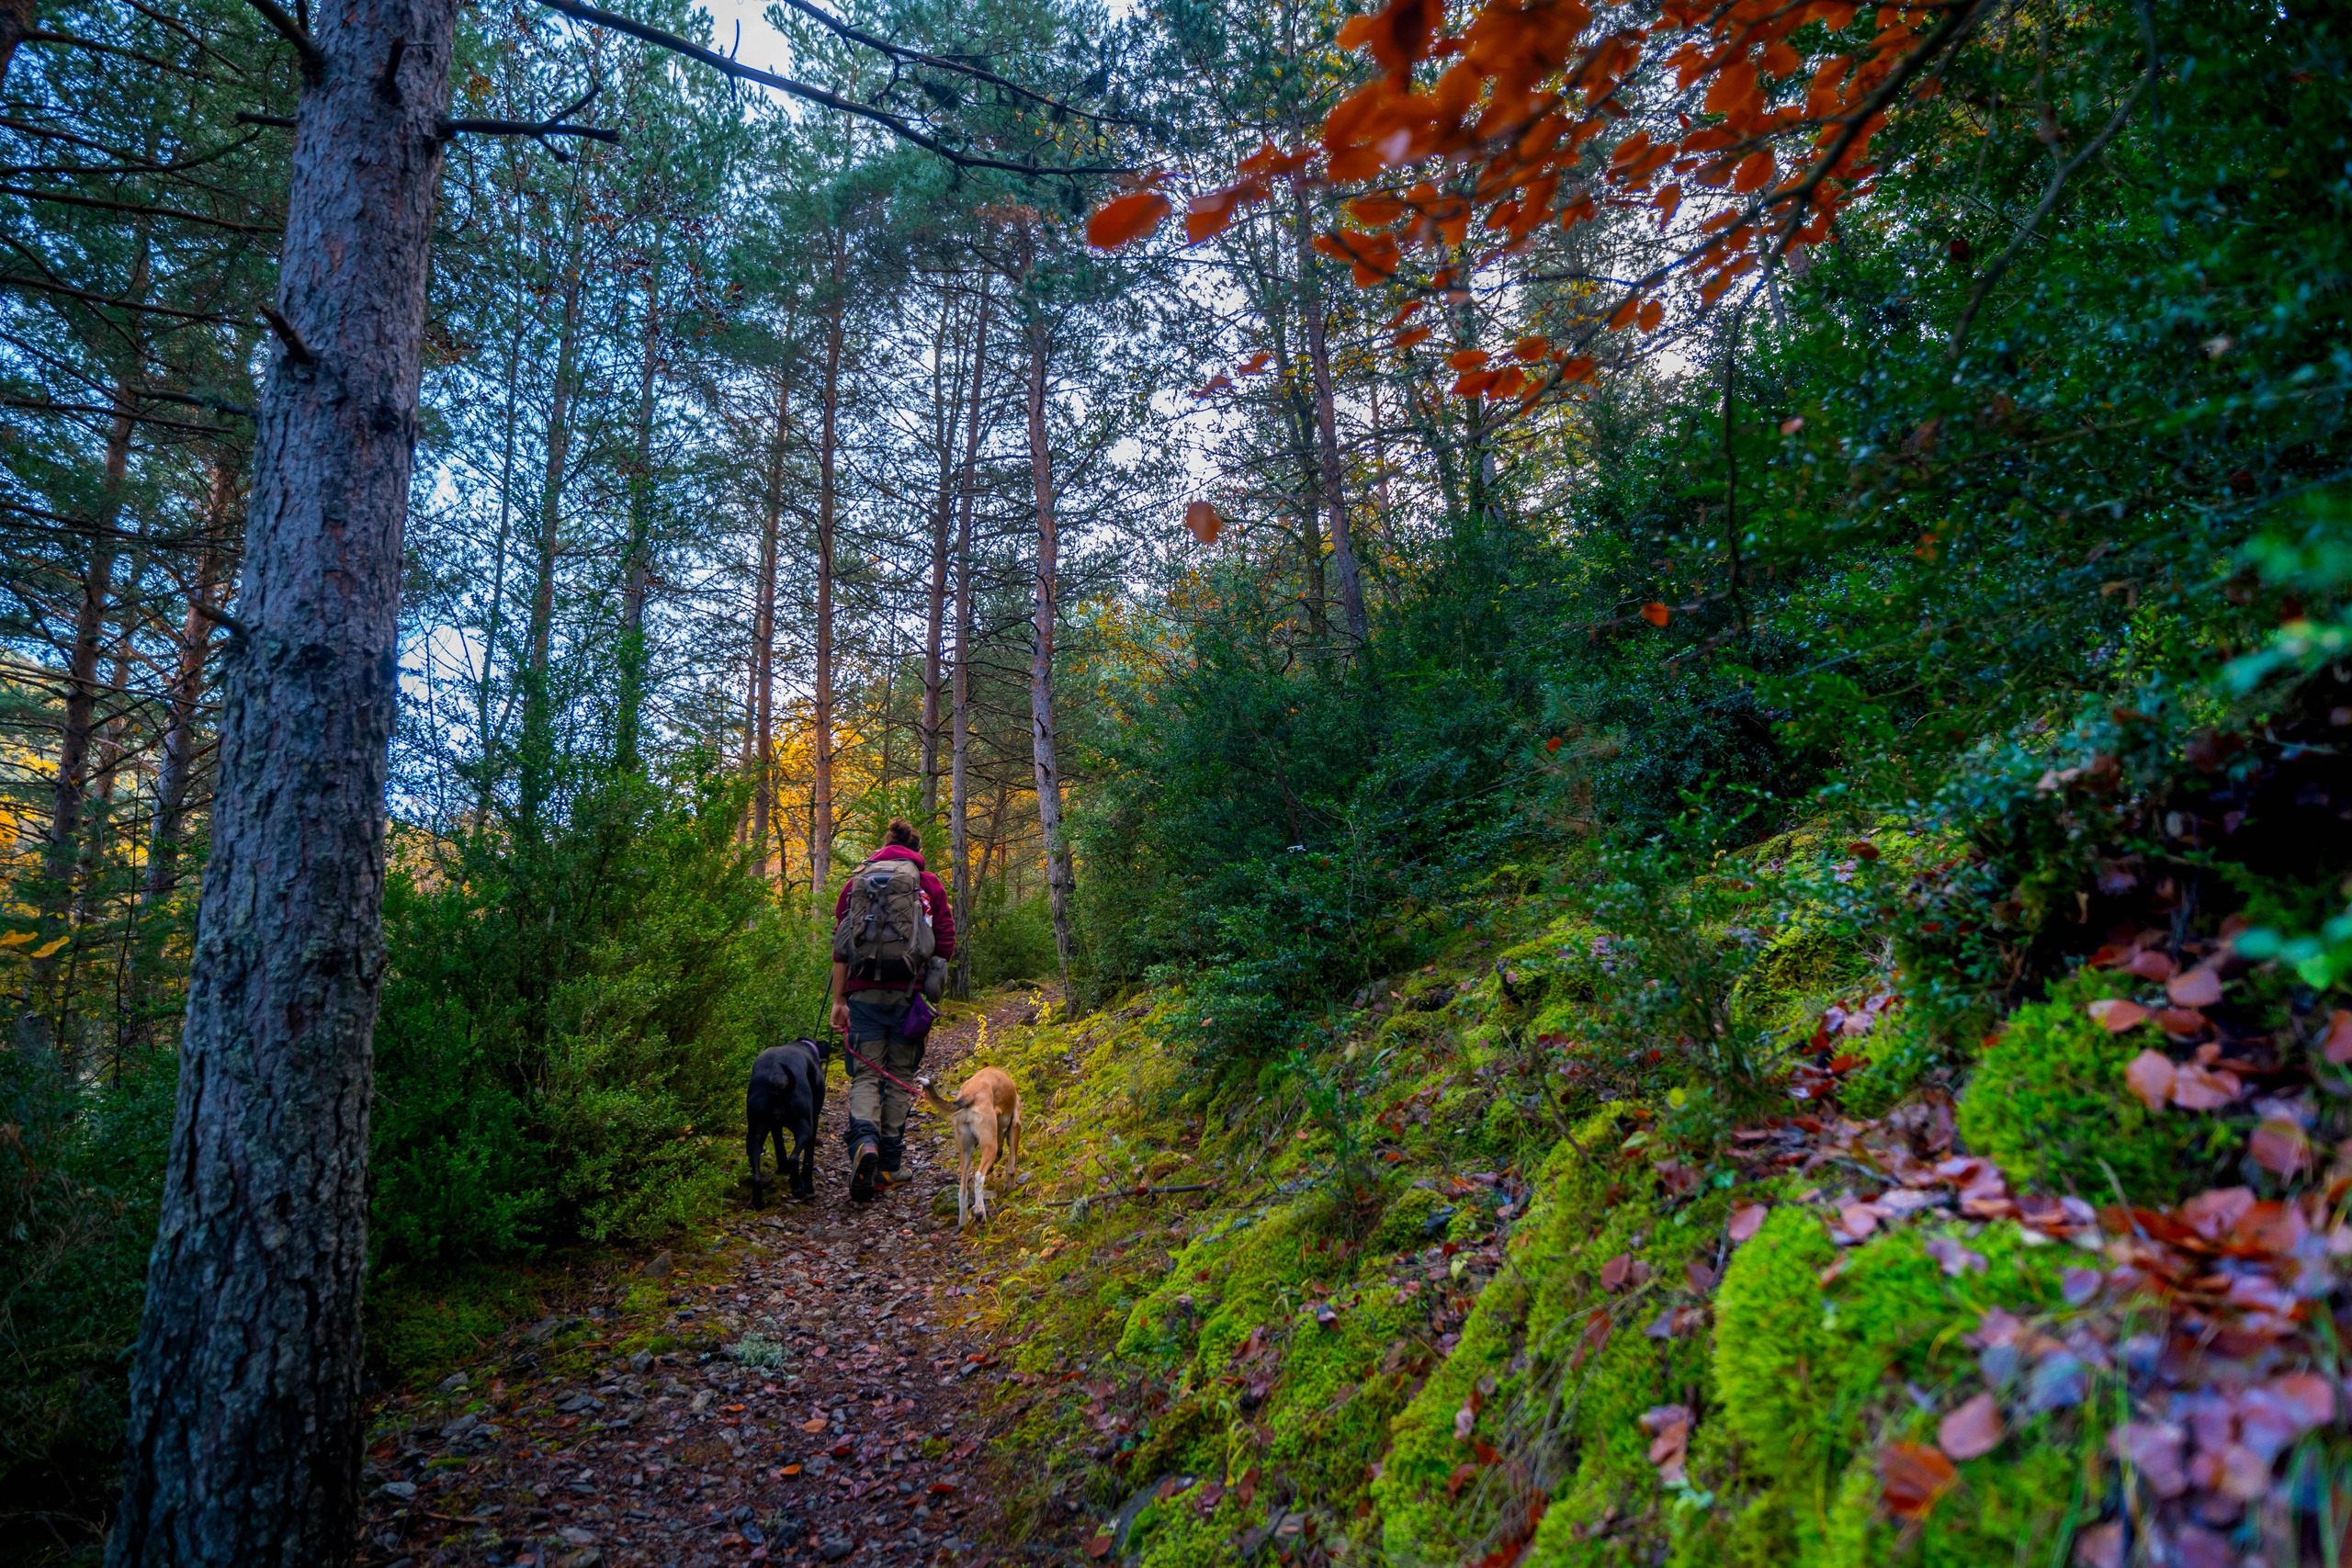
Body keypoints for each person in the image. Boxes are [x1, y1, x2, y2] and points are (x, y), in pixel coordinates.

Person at [830, 818, 956, 1201]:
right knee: (900, 1073)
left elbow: (841, 946)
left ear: (883, 847)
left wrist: (839, 1001)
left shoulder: (858, 882)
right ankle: (888, 1163)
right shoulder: (927, 882)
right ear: (916, 851)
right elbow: (946, 940)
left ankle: (863, 1145)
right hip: (908, 995)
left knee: (867, 1076)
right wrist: (925, 977)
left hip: (862, 994)